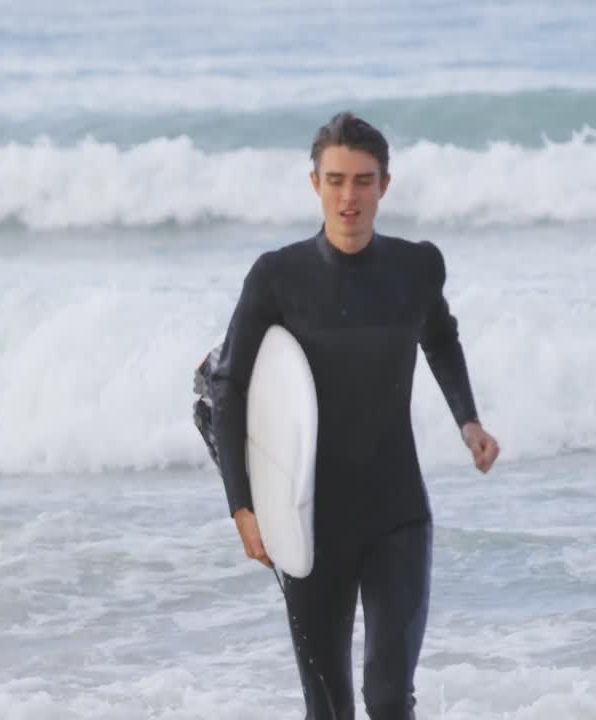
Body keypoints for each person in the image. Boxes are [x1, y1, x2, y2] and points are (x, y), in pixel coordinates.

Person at [208, 112, 500, 719]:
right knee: (329, 708)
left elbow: (440, 338)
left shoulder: (416, 267)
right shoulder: (276, 278)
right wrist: (244, 507)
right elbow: (232, 388)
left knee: (390, 698)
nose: (349, 196)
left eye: (364, 180)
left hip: (397, 516)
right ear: (314, 182)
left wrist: (467, 420)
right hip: (308, 519)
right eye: (336, 179)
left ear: (385, 185)